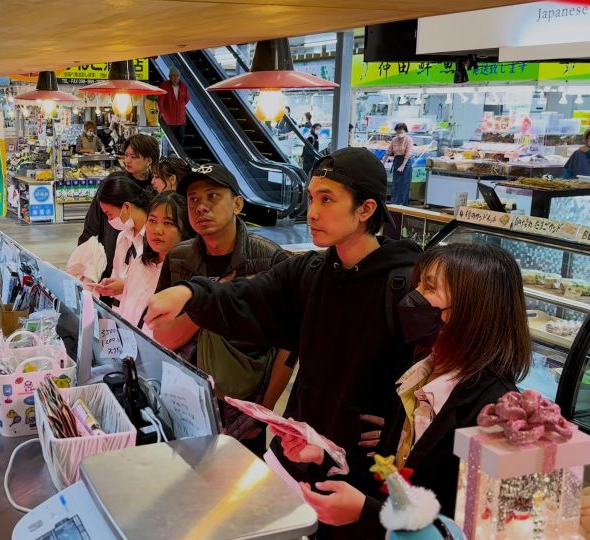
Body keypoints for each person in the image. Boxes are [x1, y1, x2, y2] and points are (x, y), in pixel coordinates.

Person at [146, 148, 423, 536]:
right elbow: (248, 299)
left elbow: (435, 375)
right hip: (302, 448)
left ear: (365, 209)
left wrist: (400, 423)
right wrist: (192, 294)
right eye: (312, 197)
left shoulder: (405, 284)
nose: (312, 211)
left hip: (365, 468)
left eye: (327, 199)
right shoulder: (309, 271)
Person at [276, 243, 530, 538]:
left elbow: (470, 529)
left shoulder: (497, 414)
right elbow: (390, 480)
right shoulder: (418, 378)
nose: (413, 298)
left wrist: (366, 514)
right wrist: (325, 457)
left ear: (473, 309)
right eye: (418, 284)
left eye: (430, 287)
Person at [152, 163, 292, 455]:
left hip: (245, 402)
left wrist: (263, 410)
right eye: (193, 199)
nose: (201, 206)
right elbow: (162, 336)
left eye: (213, 196)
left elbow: (287, 348)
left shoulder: (269, 260)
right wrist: (209, 300)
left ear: (237, 204)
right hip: (187, 400)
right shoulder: (179, 258)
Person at [95, 191, 191, 331]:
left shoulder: (187, 276)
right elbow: (124, 313)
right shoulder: (139, 263)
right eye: (152, 221)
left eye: (168, 223)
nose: (158, 230)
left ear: (185, 228)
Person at [78, 134, 159, 280]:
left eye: (134, 157)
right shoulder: (114, 182)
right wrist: (81, 261)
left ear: (148, 161)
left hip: (141, 268)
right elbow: (92, 223)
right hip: (109, 264)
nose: (127, 160)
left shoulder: (155, 189)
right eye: (126, 155)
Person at [158, 66, 190, 145]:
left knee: (180, 140)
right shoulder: (164, 85)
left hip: (181, 119)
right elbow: (160, 100)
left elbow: (187, 99)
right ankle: (166, 155)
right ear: (170, 77)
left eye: (177, 76)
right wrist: (161, 112)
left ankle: (179, 157)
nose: (176, 78)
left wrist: (180, 107)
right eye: (173, 76)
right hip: (168, 120)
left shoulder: (183, 86)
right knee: (167, 140)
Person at [385, 122, 414, 205]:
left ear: (405, 131)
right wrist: (383, 161)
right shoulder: (394, 139)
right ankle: (394, 203)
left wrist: (403, 165)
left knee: (404, 184)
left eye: (401, 132)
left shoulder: (408, 139)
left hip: (406, 162)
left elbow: (408, 153)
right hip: (397, 160)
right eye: (397, 132)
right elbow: (389, 151)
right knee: (396, 183)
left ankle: (402, 204)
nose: (399, 134)